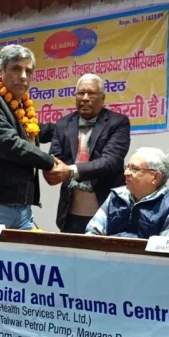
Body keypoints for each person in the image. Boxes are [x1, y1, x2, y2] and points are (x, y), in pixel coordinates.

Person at [0, 44, 68, 229]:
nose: (23, 76)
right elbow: (7, 143)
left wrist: (72, 127)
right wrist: (51, 162)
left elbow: (35, 130)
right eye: (16, 69)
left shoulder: (19, 103)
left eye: (28, 71)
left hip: (22, 208)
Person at [44, 74, 131, 233]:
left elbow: (110, 162)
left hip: (107, 212)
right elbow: (55, 159)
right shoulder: (64, 123)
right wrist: (50, 171)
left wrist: (70, 171)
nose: (84, 98)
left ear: (102, 98)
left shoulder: (118, 123)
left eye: (91, 93)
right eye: (80, 93)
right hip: (70, 213)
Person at [85, 147, 169, 238]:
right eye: (127, 167)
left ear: (155, 177)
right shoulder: (116, 196)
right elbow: (92, 234)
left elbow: (166, 252)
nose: (126, 173)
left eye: (134, 169)